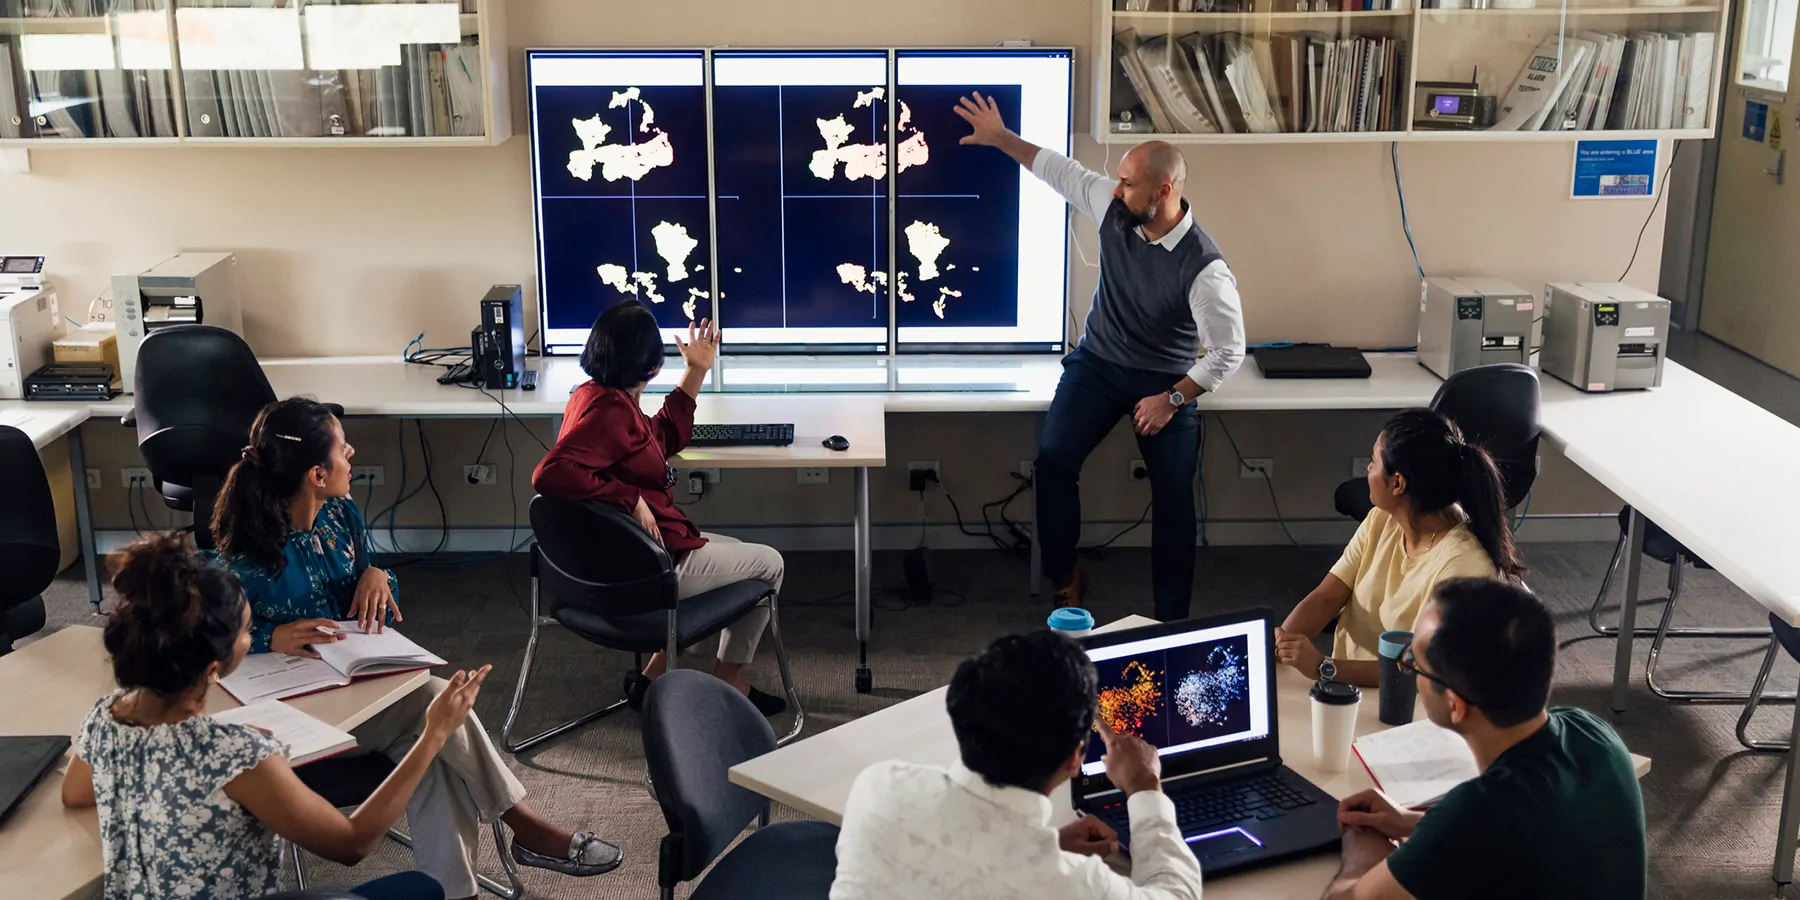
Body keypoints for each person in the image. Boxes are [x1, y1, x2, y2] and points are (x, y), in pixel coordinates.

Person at [209, 397, 621, 899]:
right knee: (433, 702)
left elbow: (381, 602)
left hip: (362, 694)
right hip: (295, 722)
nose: (353, 452)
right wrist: (271, 637)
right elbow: (199, 640)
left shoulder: (341, 516)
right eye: (343, 448)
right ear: (317, 473)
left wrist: (378, 576)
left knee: (432, 756)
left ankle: (456, 893)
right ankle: (525, 825)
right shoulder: (247, 553)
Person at [954, 93, 1246, 620]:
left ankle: (1171, 620)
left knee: (1176, 496)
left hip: (1166, 381)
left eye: (1129, 182)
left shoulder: (1204, 269)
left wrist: (1173, 399)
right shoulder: (1114, 208)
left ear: (1163, 192)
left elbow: (1229, 351)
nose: (1116, 188)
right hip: (1099, 364)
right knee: (1053, 460)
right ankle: (1066, 579)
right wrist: (1000, 138)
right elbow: (1057, 170)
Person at [62, 531, 468, 900]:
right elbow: (351, 844)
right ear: (212, 670)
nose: (249, 638)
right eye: (245, 631)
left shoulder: (107, 716)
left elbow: (75, 792)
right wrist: (434, 733)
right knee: (422, 889)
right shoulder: (237, 756)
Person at [532, 302, 788, 717]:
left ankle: (653, 675)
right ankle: (729, 682)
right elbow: (549, 473)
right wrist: (629, 498)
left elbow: (658, 439)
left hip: (609, 564)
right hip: (649, 565)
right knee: (769, 565)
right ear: (651, 367)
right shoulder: (611, 413)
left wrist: (696, 371)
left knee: (735, 553)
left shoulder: (594, 397)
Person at [1323, 577, 1646, 899]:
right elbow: (1534, 831)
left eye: (1413, 663)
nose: (1408, 669)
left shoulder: (1481, 809)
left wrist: (1361, 845)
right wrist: (1412, 823)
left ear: (1455, 705)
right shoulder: (1591, 729)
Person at [831, 630, 1203, 900]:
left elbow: (967, 867)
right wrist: (1143, 785)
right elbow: (1177, 894)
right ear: (1075, 758)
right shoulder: (1070, 886)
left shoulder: (877, 788)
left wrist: (1051, 846)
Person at [1274, 409, 1524, 687]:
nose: (1368, 470)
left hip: (1406, 702)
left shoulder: (1464, 567)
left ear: (1397, 483)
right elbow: (1327, 596)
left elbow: (1421, 669)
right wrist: (1279, 646)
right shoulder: (1381, 519)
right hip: (1345, 684)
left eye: (1373, 462)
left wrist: (1324, 667)